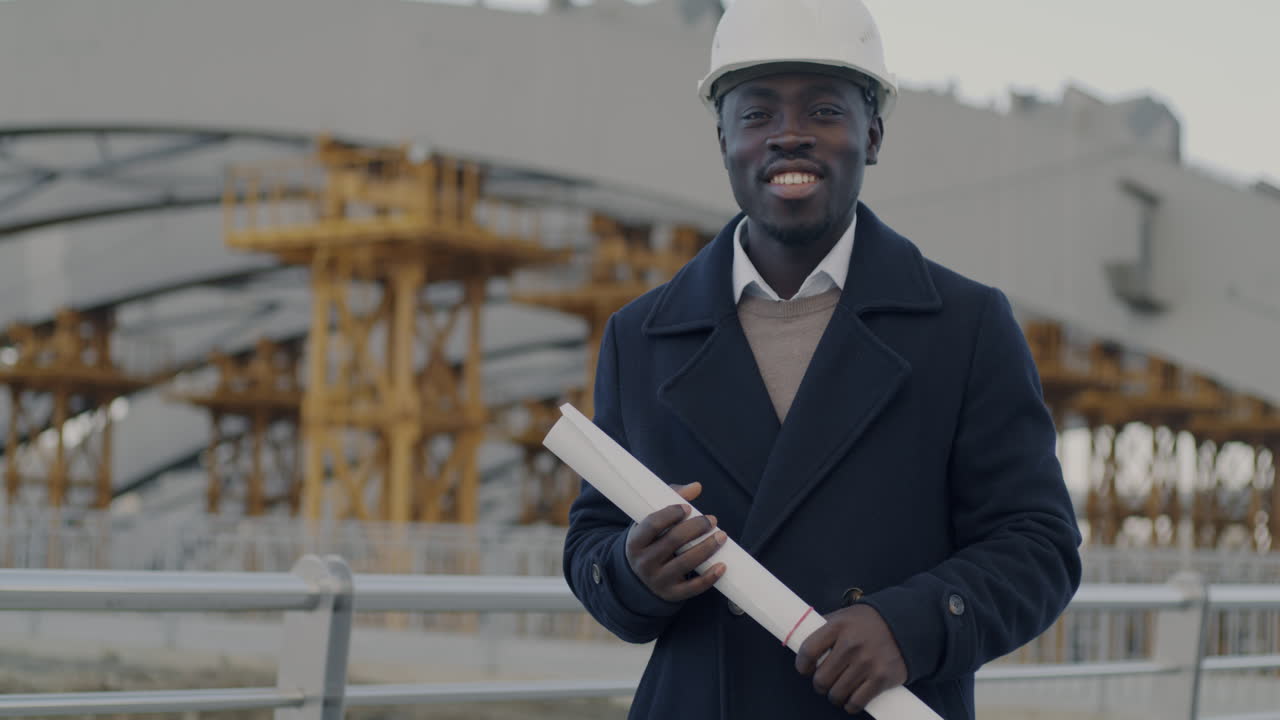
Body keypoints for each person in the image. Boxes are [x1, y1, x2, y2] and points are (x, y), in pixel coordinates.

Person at [562, 1, 1082, 717]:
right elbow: (592, 540)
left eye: (825, 111)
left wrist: (913, 624)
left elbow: (1039, 546)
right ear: (722, 139)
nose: (790, 137)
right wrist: (631, 569)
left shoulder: (966, 327)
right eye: (757, 116)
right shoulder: (641, 335)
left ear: (872, 136)